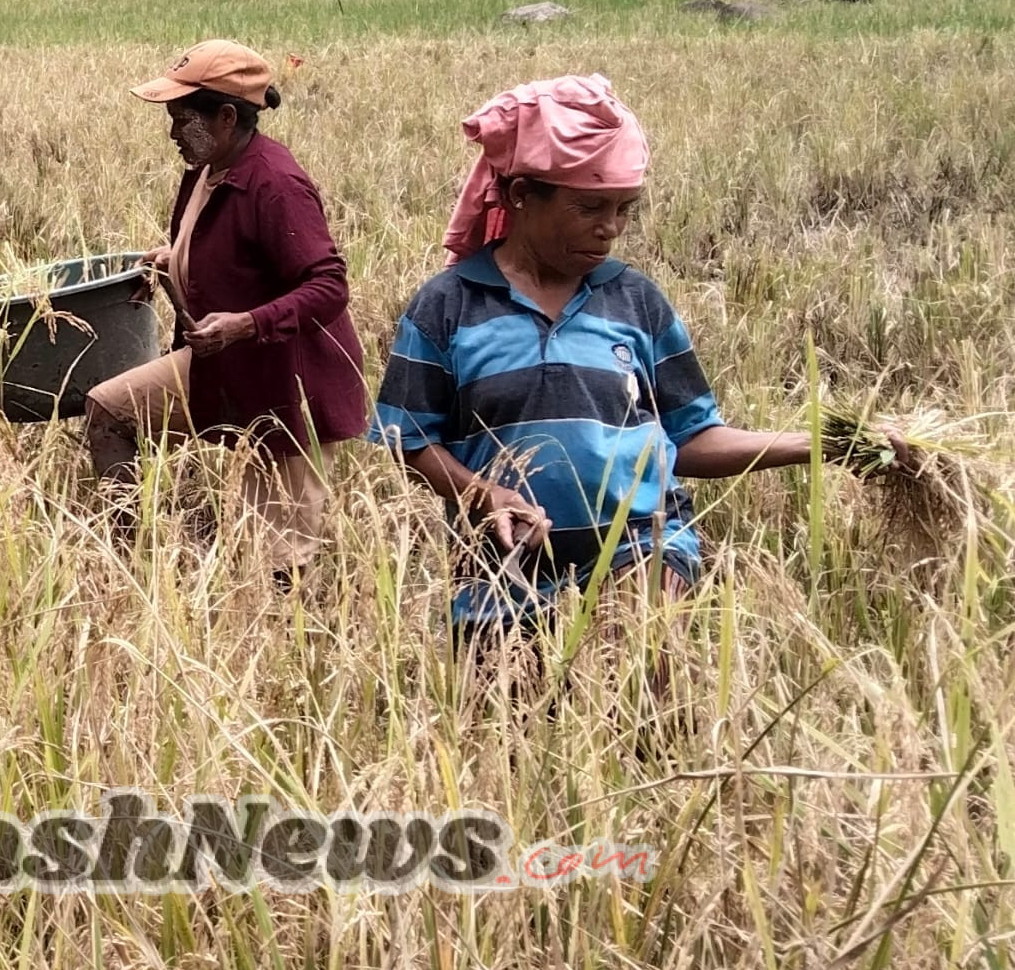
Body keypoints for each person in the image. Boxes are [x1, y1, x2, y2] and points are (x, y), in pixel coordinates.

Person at [371, 74, 908, 644]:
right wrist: (485, 496)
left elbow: (694, 438)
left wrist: (820, 445)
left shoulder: (635, 300)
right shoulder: (448, 305)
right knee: (517, 728)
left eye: (625, 208)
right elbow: (409, 437)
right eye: (590, 207)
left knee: (639, 691)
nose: (611, 228)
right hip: (500, 570)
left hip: (640, 546)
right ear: (521, 195)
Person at [84, 40, 366, 582]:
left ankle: (289, 644)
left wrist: (247, 323)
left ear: (228, 117)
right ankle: (133, 570)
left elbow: (329, 286)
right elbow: (228, 249)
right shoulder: (207, 168)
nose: (172, 133)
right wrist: (173, 262)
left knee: (277, 561)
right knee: (111, 411)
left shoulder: (275, 183)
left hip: (286, 386)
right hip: (223, 362)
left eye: (182, 119)